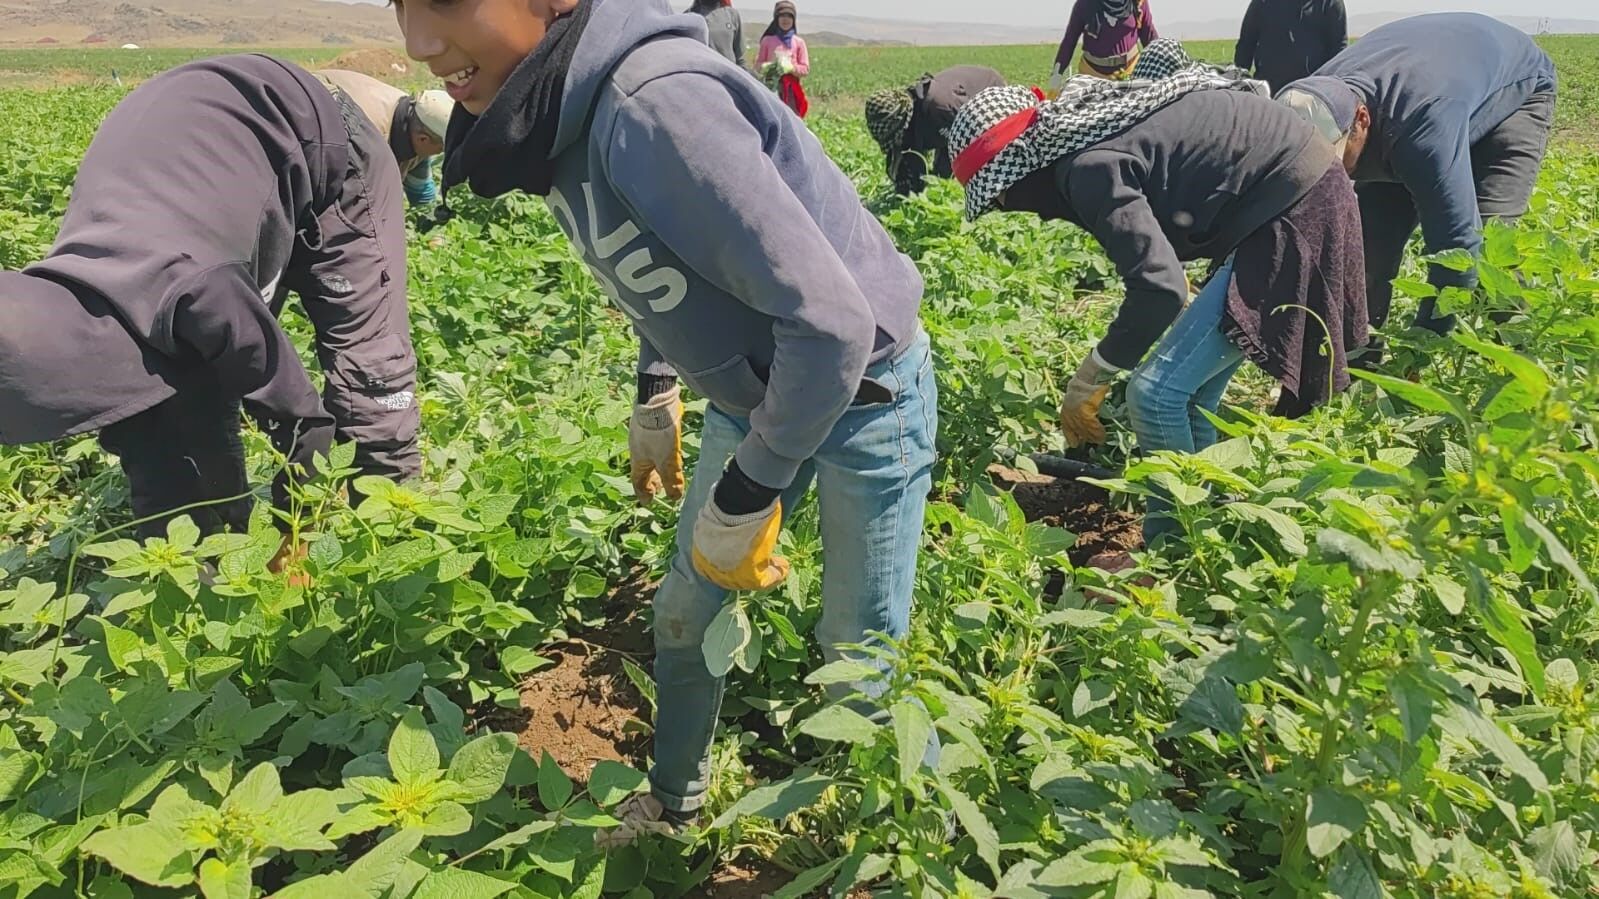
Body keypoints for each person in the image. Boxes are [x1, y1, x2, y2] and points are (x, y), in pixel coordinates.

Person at [392, 0, 934, 841]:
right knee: (684, 613)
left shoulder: (653, 105)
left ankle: (906, 845)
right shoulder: (562, 111)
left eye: (447, 2)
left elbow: (832, 324)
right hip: (750, 395)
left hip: (864, 392)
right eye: (401, 8)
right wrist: (658, 386)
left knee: (856, 653)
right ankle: (674, 806)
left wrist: (751, 486)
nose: (420, 44)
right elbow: (658, 263)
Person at [0, 54, 419, 546]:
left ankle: (393, 541)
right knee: (172, 411)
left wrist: (295, 535)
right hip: (199, 159)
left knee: (369, 365)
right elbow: (150, 436)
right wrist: (188, 560)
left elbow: (297, 416)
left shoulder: (197, 291)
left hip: (320, 135)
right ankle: (221, 539)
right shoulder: (60, 307)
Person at [948, 63, 1367, 544]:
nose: (1019, 209)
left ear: (1016, 172)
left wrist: (1092, 375)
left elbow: (1161, 287)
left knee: (1154, 395)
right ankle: (1210, 531)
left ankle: (1168, 548)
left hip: (1294, 208)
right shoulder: (1088, 151)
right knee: (1192, 397)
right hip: (1290, 195)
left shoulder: (1090, 168)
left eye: (1001, 199)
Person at [1277, 13, 1557, 338]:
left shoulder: (1423, 129)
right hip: (1429, 87)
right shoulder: (1315, 96)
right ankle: (1356, 361)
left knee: (1489, 245)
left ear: (1361, 120)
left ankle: (1511, 360)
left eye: (1335, 159)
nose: (1331, 172)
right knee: (1369, 246)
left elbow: (1458, 243)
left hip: (1515, 88)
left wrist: (1421, 350)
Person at [318, 69, 453, 208]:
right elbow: (352, 203)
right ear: (423, 139)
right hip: (305, 105)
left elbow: (421, 187)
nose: (441, 152)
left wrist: (427, 214)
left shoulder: (416, 119)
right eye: (442, 148)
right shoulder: (366, 137)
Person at [865, 65, 1006, 196]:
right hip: (952, 113)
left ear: (902, 122)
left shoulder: (940, 108)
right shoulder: (910, 109)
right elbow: (910, 149)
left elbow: (961, 144)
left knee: (960, 169)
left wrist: (941, 179)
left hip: (991, 97)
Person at [1233, 0, 1347, 95]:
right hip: (1269, 93)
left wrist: (1332, 89)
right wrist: (1239, 84)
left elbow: (1339, 49)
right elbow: (1246, 45)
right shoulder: (1263, 3)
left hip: (1312, 94)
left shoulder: (1329, 3)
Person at [1049, 0, 1158, 90]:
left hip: (1131, 72)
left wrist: (1164, 63)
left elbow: (1149, 37)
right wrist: (1056, 75)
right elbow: (1069, 41)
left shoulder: (1138, 3)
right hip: (1092, 76)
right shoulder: (1085, 4)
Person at [756, 0, 810, 117]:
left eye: (789, 16)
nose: (786, 19)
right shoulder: (767, 41)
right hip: (770, 89)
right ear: (776, 19)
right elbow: (758, 66)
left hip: (791, 92)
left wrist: (790, 68)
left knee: (792, 122)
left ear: (793, 19)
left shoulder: (799, 42)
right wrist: (768, 67)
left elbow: (805, 69)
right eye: (782, 16)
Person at [687, 0, 746, 70]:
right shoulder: (688, 17)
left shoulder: (732, 14)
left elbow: (740, 58)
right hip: (703, 74)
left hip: (729, 76)